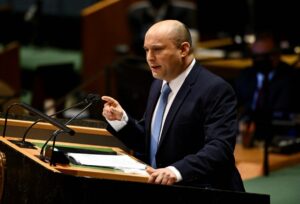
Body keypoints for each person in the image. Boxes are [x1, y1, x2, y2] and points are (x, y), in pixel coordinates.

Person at [102, 20, 244, 191]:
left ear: (183, 49)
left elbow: (220, 148)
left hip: (203, 190)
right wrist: (121, 121)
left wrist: (175, 171)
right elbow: (153, 144)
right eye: (146, 50)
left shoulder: (215, 89)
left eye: (158, 49)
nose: (149, 57)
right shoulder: (158, 85)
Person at [235, 32, 300, 146]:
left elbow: (281, 116)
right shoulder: (245, 76)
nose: (260, 60)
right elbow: (232, 107)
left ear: (277, 55)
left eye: (264, 56)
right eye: (256, 56)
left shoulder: (291, 80)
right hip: (243, 138)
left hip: (276, 140)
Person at [127, 0, 198, 56]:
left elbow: (191, 39)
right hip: (145, 57)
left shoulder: (184, 11)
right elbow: (136, 42)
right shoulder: (136, 13)